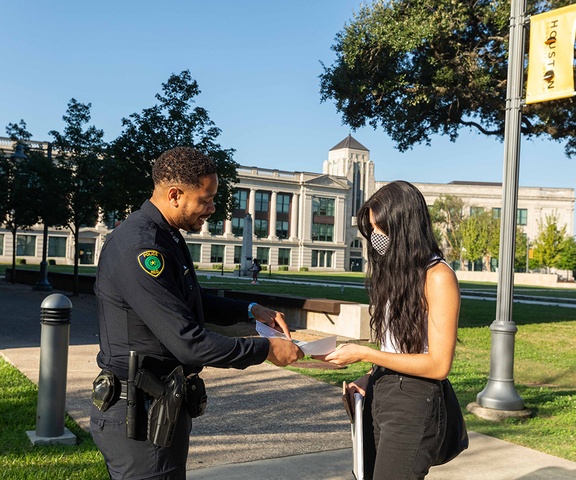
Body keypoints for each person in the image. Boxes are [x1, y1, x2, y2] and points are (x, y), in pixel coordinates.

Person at [90, 146, 303, 480]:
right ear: (176, 195)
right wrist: (266, 349)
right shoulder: (141, 247)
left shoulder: (166, 236)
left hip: (158, 405)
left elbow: (188, 298)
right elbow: (189, 342)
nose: (213, 208)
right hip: (137, 416)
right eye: (206, 199)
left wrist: (251, 310)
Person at [315, 180, 460, 480]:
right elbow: (397, 349)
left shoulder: (438, 277)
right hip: (383, 394)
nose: (376, 239)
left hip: (414, 403)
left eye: (382, 229)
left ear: (406, 226)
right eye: (372, 230)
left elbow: (438, 365)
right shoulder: (397, 274)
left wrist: (366, 354)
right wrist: (369, 377)